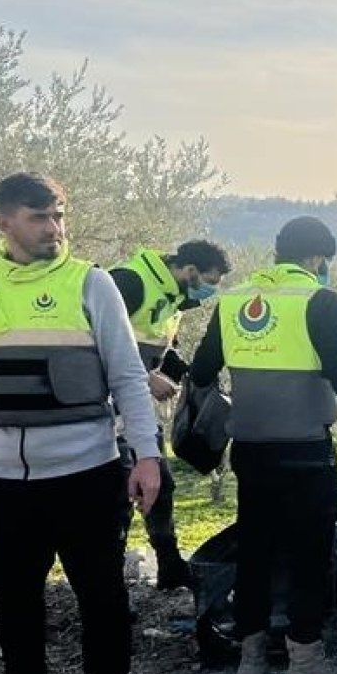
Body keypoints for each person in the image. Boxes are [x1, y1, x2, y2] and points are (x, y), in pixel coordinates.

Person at [0, 173, 162, 674]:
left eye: (59, 215)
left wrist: (148, 455)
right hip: (0, 479)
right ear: (3, 223)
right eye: (39, 217)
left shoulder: (91, 282)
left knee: (100, 593)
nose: (54, 228)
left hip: (87, 473)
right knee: (11, 595)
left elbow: (128, 377)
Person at [188, 215, 337, 674]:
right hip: (306, 451)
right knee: (309, 556)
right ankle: (304, 665)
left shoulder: (234, 301)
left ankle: (250, 662)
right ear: (315, 257)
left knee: (255, 551)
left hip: (251, 452)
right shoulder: (320, 300)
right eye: (325, 261)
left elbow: (203, 370)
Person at [109, 240, 232, 589]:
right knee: (118, 494)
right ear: (190, 270)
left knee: (159, 484)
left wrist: (189, 375)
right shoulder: (129, 282)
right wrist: (148, 378)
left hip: (136, 409)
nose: (209, 290)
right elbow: (95, 344)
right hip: (105, 412)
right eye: (209, 281)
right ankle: (109, 580)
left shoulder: (172, 299)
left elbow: (162, 351)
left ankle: (170, 566)